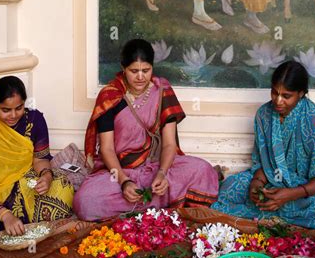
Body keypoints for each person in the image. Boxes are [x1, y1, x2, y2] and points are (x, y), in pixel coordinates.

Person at [74, 39, 219, 220]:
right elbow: (106, 149)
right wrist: (124, 182)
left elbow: (169, 144)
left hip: (154, 166)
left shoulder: (162, 90)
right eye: (134, 71)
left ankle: (145, 203)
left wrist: (162, 173)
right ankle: (163, 204)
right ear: (123, 68)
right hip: (119, 170)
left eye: (146, 70)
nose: (141, 77)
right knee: (85, 201)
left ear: (152, 67)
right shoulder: (110, 96)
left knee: (203, 170)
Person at [212, 61, 315, 229]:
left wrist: (291, 194)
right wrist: (256, 183)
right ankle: (275, 212)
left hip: (306, 187)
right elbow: (263, 163)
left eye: (286, 96)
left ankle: (271, 214)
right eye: (274, 92)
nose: (278, 101)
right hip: (274, 181)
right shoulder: (263, 114)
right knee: (230, 187)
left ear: (301, 93)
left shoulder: (313, 118)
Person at [0, 76, 74, 251]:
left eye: (19, 108)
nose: (13, 115)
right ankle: (11, 222)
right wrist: (4, 214)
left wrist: (46, 176)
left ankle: (18, 221)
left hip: (23, 181)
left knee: (63, 187)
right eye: (6, 110)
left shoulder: (34, 120)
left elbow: (40, 158)